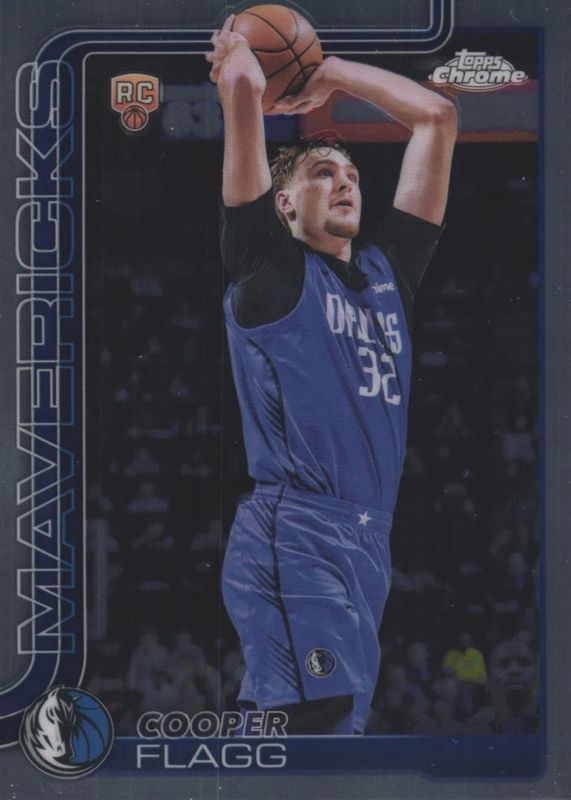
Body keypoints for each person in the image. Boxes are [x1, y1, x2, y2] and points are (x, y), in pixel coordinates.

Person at [206, 14, 457, 735]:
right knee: (324, 720)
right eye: (323, 173)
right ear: (284, 203)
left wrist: (332, 74)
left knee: (301, 730)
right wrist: (241, 63)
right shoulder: (270, 269)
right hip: (299, 530)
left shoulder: (386, 274)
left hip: (365, 538)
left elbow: (436, 118)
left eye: (351, 176)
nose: (345, 182)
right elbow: (244, 89)